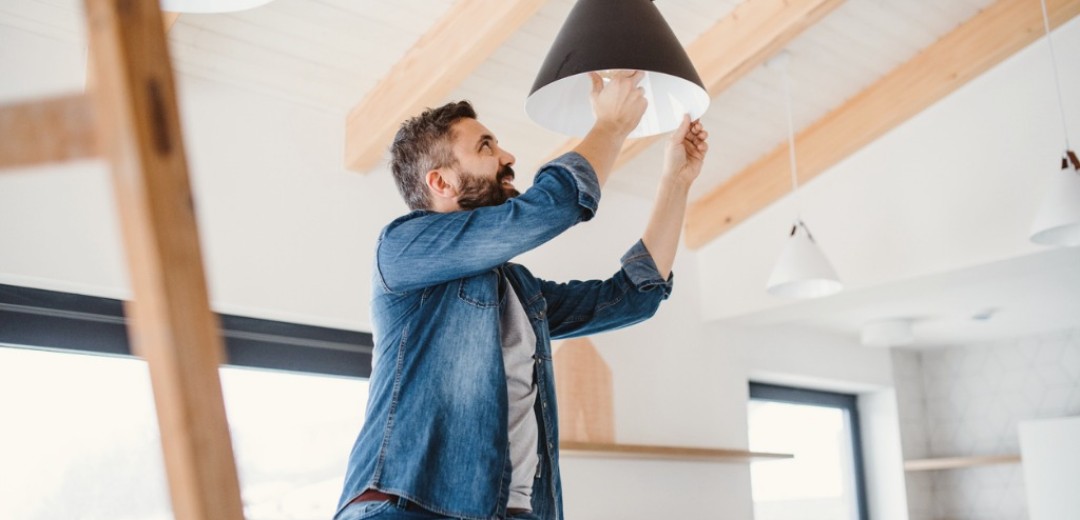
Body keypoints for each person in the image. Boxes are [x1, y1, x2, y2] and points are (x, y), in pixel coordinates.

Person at [335, 70, 708, 520]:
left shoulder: (520, 292)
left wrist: (676, 182)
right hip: (409, 506)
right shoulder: (402, 249)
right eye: (486, 147)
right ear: (441, 183)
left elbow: (632, 297)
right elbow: (547, 209)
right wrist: (610, 126)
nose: (508, 157)